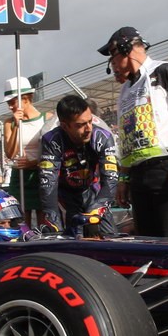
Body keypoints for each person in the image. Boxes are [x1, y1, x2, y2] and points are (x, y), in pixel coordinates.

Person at [104, 26, 168, 237]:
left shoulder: (164, 70)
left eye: (113, 56)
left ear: (126, 49)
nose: (112, 64)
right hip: (138, 173)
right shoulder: (125, 90)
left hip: (166, 168)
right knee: (145, 238)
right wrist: (124, 179)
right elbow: (127, 138)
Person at [38, 94, 118, 237]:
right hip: (66, 196)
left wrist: (96, 209)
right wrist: (53, 222)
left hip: (93, 191)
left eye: (89, 121)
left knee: (109, 236)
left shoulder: (103, 136)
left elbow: (110, 180)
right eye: (80, 125)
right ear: (64, 126)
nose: (88, 128)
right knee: (72, 239)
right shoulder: (52, 140)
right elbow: (47, 185)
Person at [2, 75, 53, 226]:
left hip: (41, 174)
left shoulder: (47, 118)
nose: (10, 106)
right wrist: (17, 126)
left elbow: (53, 152)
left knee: (43, 217)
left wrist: (34, 162)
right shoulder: (9, 123)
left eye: (13, 102)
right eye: (8, 103)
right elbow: (10, 153)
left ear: (25, 99)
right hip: (19, 176)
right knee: (20, 219)